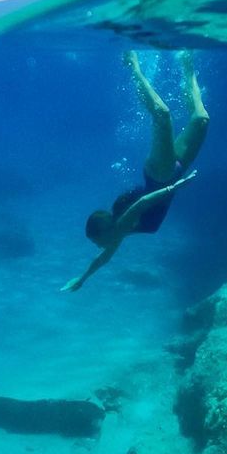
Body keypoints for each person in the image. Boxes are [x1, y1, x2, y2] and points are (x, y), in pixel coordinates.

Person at [62, 50, 209, 292]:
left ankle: (133, 65)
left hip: (160, 174)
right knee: (202, 118)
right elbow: (103, 258)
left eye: (97, 241)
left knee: (162, 114)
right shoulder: (117, 234)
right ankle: (187, 66)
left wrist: (174, 187)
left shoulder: (121, 225)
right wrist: (82, 279)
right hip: (173, 173)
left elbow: (142, 204)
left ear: (106, 230)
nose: (98, 246)